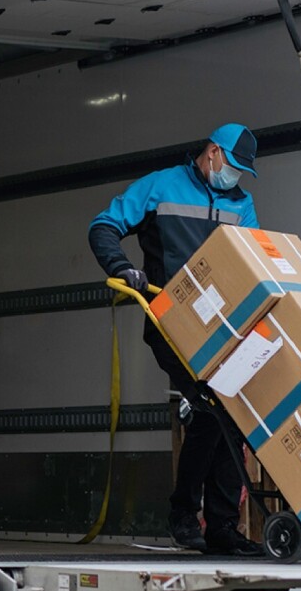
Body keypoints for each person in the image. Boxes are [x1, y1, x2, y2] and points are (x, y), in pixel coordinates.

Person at [87, 124, 263, 557]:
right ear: (213, 153)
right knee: (211, 405)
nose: (235, 177)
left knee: (228, 413)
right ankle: (188, 516)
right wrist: (121, 266)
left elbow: (257, 262)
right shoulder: (161, 186)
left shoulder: (243, 205)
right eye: (233, 167)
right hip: (170, 321)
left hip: (223, 329)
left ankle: (217, 526)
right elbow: (104, 225)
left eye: (243, 172)